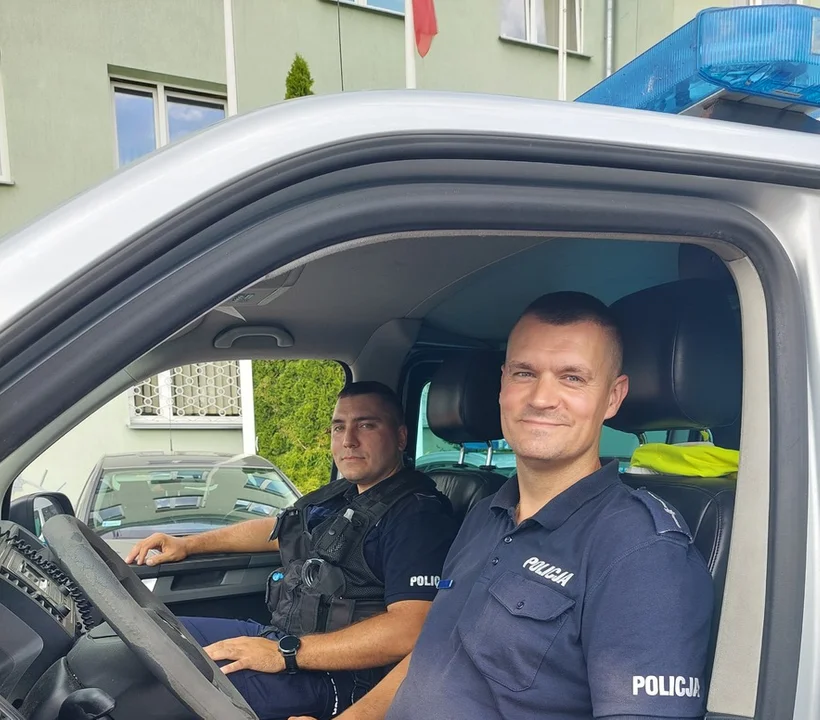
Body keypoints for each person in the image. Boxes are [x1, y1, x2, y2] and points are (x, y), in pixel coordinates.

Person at [291, 292, 713, 720]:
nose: (541, 398)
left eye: (572, 378)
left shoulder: (641, 553)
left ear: (613, 397)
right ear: (503, 385)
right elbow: (430, 658)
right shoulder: (485, 514)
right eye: (525, 373)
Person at [126, 381, 458, 720]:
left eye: (366, 425)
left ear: (401, 437)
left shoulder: (418, 517)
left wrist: (284, 654)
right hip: (287, 644)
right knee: (148, 635)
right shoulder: (345, 495)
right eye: (338, 427)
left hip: (341, 678)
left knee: (164, 693)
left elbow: (411, 629)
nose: (348, 440)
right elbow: (279, 531)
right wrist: (188, 543)